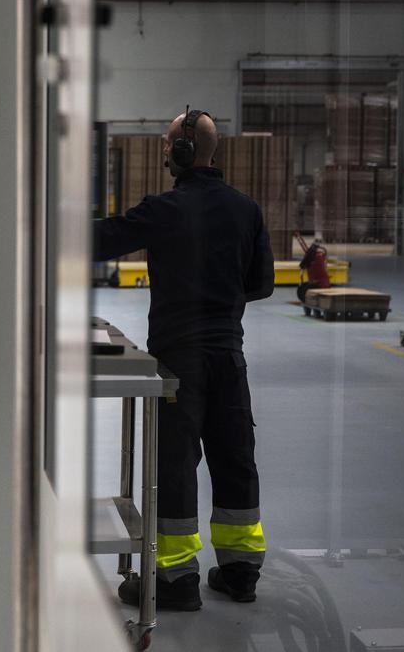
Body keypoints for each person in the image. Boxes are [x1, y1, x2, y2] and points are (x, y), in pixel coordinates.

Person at [95, 109, 274, 611]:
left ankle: (176, 580)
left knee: (175, 465)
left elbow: (101, 239)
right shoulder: (246, 209)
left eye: (168, 142)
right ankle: (240, 572)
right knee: (234, 457)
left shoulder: (165, 209)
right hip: (229, 356)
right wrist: (220, 295)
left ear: (182, 151)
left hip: (179, 359)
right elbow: (262, 284)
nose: (164, 151)